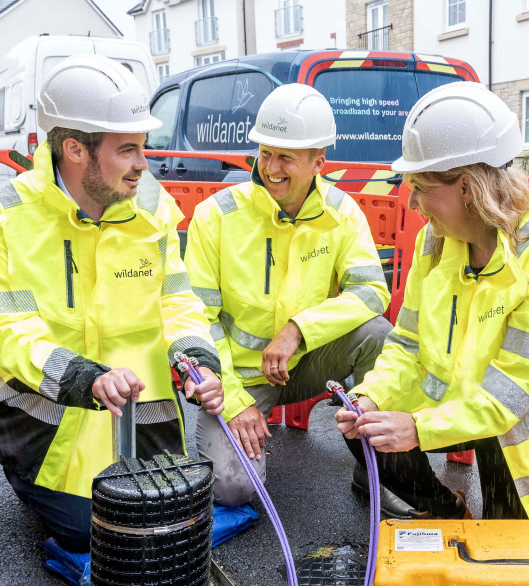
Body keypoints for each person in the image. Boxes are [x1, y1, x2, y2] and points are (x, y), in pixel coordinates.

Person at [0, 56, 224, 555]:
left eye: (142, 149)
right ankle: (29, 482)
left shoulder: (151, 207)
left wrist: (198, 361)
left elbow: (177, 300)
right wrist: (87, 377)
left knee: (165, 513)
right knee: (96, 532)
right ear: (75, 149)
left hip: (140, 410)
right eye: (127, 150)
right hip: (43, 420)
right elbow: (4, 330)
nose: (143, 165)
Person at [185, 84, 464, 518]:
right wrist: (236, 402)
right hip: (235, 380)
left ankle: (374, 468)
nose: (271, 168)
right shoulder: (217, 215)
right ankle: (242, 439)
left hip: (303, 363)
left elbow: (371, 292)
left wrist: (298, 329)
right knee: (234, 488)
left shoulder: (341, 212)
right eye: (265, 154)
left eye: (286, 157)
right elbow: (197, 317)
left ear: (319, 162)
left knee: (377, 336)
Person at [337, 82, 529, 520]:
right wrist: (372, 397)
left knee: (505, 554)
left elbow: (514, 395)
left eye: (421, 187)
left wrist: (418, 428)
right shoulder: (437, 240)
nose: (412, 203)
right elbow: (407, 342)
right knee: (365, 423)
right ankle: (448, 514)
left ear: (466, 187)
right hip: (470, 405)